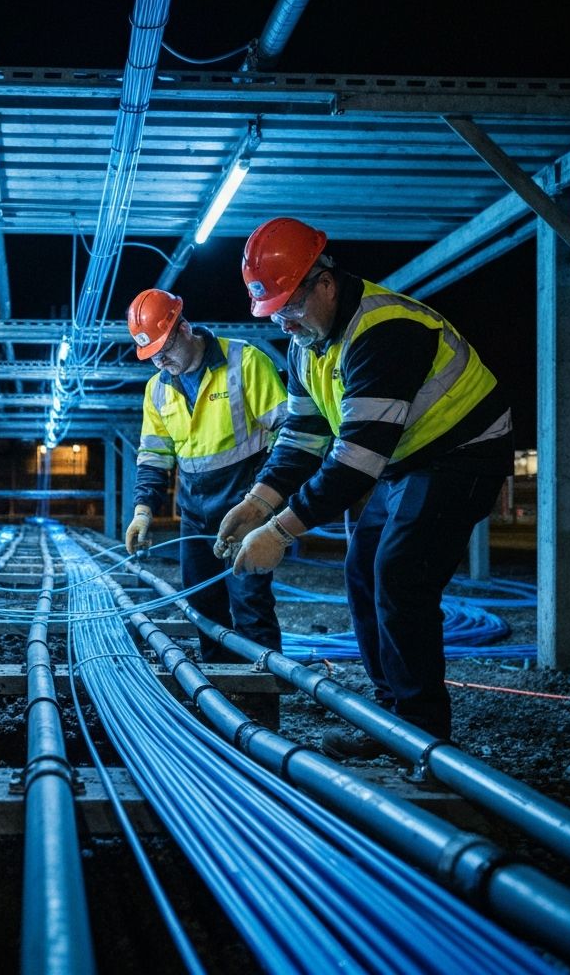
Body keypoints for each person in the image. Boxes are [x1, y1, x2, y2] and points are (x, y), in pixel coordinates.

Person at [215, 217, 513, 758]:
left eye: (290, 306)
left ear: (324, 283)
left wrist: (279, 531)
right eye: (273, 311)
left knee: (400, 576)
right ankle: (389, 718)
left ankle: (421, 734)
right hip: (407, 461)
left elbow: (354, 462)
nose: (283, 322)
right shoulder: (308, 344)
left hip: (463, 454)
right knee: (363, 571)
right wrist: (255, 502)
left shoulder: (384, 332)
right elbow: (304, 436)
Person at [124, 288, 288, 667]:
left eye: (164, 350)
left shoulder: (244, 362)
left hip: (246, 509)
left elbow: (289, 436)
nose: (161, 362)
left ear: (184, 328)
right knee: (203, 608)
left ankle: (261, 704)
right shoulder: (158, 389)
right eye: (152, 357)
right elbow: (154, 455)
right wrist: (143, 510)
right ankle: (221, 695)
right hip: (194, 515)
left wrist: (265, 503)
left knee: (251, 605)